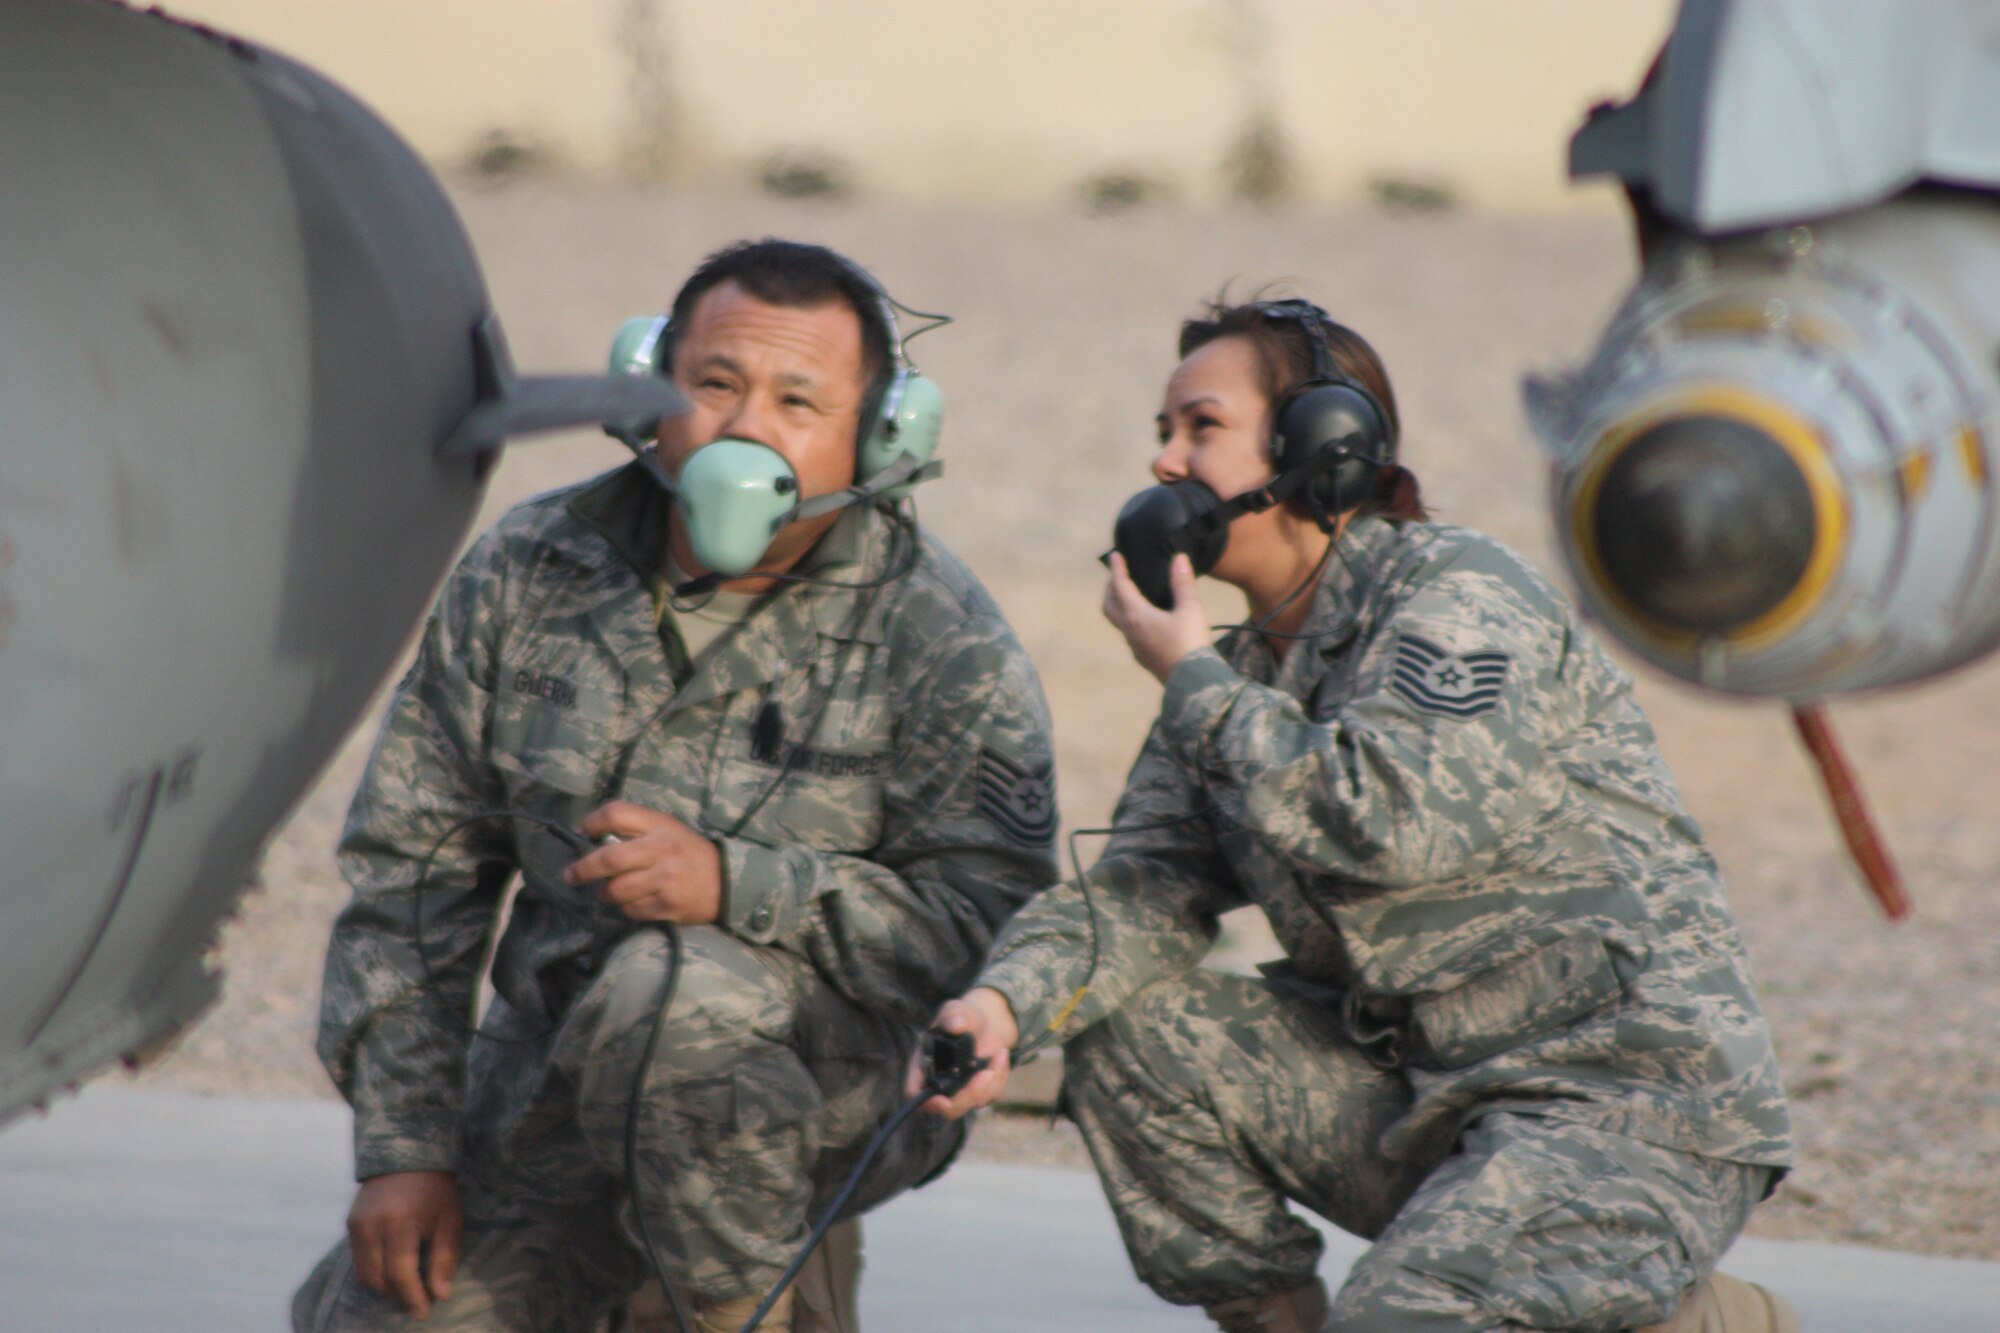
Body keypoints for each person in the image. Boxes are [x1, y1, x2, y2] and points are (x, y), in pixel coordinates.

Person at [914, 298, 1797, 1333]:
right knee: (1132, 1034)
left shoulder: (1458, 599)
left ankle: (1682, 1313)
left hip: (1625, 1101)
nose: (1163, 464)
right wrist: (1006, 1006)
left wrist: (1192, 680)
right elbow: (1143, 885)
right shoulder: (1240, 673)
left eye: (1199, 427)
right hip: (1434, 1092)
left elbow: (1395, 821)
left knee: (1409, 1317)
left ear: (1317, 450)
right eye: (1160, 434)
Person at [293, 239, 1059, 1333]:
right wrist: (404, 1152)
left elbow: (990, 926)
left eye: (797, 400)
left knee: (676, 1001)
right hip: (553, 1070)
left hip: (817, 1084)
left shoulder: (937, 635)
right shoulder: (530, 570)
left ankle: (744, 1304)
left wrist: (738, 886)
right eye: (713, 386)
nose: (746, 430)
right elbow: (413, 874)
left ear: (880, 433)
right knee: (396, 1316)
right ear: (650, 392)